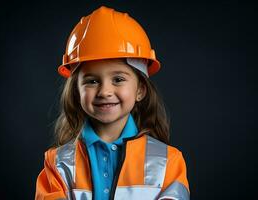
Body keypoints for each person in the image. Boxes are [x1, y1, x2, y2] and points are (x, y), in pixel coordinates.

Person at [35, 6, 190, 200]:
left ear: (140, 90)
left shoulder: (168, 162)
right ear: (76, 91)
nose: (105, 92)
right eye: (92, 81)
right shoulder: (57, 163)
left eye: (118, 79)